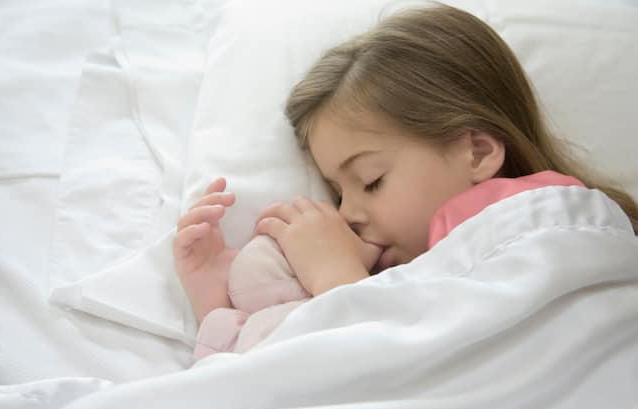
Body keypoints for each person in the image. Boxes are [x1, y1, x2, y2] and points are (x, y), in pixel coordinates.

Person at [173, 3, 638, 361]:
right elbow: (293, 391)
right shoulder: (407, 277)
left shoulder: (541, 226)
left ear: (478, 152)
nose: (347, 215)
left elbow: (420, 365)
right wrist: (218, 308)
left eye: (371, 181)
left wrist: (338, 281)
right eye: (337, 193)